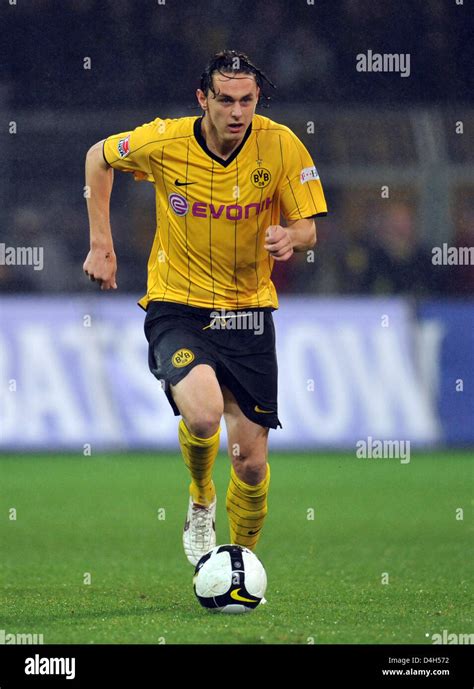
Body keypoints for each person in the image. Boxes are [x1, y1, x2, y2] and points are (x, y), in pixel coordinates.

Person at [83, 50, 327, 566]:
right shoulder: (165, 141)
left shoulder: (281, 145)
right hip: (178, 306)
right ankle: (200, 499)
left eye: (247, 100)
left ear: (257, 99)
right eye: (225, 100)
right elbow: (98, 157)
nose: (237, 112)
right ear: (203, 99)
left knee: (251, 465)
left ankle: (237, 565)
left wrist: (293, 236)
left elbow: (309, 225)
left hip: (248, 314)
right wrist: (102, 244)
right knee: (202, 413)